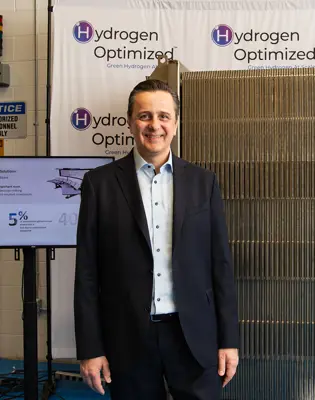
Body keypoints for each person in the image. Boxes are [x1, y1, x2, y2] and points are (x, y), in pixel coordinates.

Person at [73, 79, 240, 400]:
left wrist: (228, 339)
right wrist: (90, 348)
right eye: (144, 116)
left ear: (175, 124)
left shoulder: (203, 182)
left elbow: (221, 266)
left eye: (163, 116)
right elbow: (87, 273)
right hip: (128, 338)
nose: (154, 125)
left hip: (194, 336)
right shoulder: (99, 184)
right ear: (130, 122)